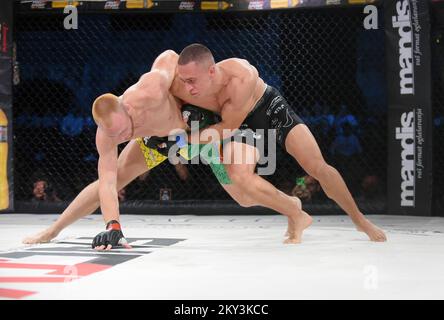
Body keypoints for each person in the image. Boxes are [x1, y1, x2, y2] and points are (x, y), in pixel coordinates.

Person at [23, 49, 308, 248]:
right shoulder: (107, 136)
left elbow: (171, 57)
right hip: (161, 142)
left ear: (127, 106)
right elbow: (108, 183)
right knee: (112, 177)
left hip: (198, 133)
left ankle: (293, 208)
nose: (124, 136)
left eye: (125, 129)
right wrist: (113, 224)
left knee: (243, 196)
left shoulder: (151, 88)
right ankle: (53, 230)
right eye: (117, 135)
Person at [168, 43, 386, 242]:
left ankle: (359, 220)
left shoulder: (241, 76)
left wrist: (187, 140)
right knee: (242, 193)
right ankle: (293, 209)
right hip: (235, 125)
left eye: (192, 81)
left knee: (318, 167)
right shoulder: (184, 86)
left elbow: (228, 127)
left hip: (266, 110)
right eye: (184, 81)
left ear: (211, 71)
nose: (188, 88)